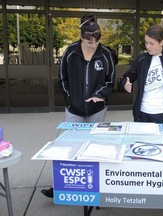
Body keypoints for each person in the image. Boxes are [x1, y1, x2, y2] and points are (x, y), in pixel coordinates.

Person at [41, 14, 115, 199]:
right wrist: (69, 99)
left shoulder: (105, 54)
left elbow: (110, 81)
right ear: (81, 37)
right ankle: (58, 185)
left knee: (95, 147)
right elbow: (62, 79)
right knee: (65, 146)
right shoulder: (70, 52)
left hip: (97, 110)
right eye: (89, 41)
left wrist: (99, 96)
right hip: (74, 109)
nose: (93, 44)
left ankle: (96, 186)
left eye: (96, 41)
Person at [119, 25, 163, 125]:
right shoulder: (141, 60)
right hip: (142, 112)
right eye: (146, 43)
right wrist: (125, 83)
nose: (148, 47)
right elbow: (127, 77)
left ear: (161, 42)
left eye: (151, 44)